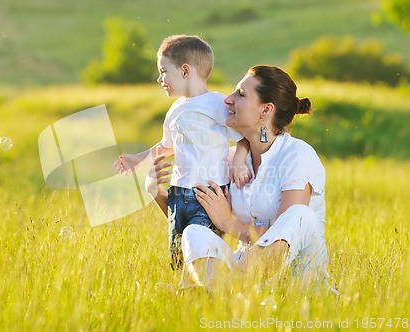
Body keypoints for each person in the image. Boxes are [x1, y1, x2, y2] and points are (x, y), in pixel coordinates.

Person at [148, 65, 333, 291]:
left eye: (241, 94)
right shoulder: (226, 160)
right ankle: (226, 291)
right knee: (194, 233)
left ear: (266, 109)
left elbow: (283, 234)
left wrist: (227, 223)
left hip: (298, 278)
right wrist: (156, 191)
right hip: (245, 265)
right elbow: (194, 213)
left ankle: (218, 290)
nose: (228, 99)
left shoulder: (297, 155)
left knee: (300, 215)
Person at [115, 35, 251, 270]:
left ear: (186, 70)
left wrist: (238, 162)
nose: (159, 79)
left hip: (208, 194)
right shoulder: (175, 109)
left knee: (203, 252)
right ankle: (186, 296)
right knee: (178, 255)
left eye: (163, 71)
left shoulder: (217, 104)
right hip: (178, 193)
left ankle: (210, 292)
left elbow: (243, 139)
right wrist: (138, 160)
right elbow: (167, 146)